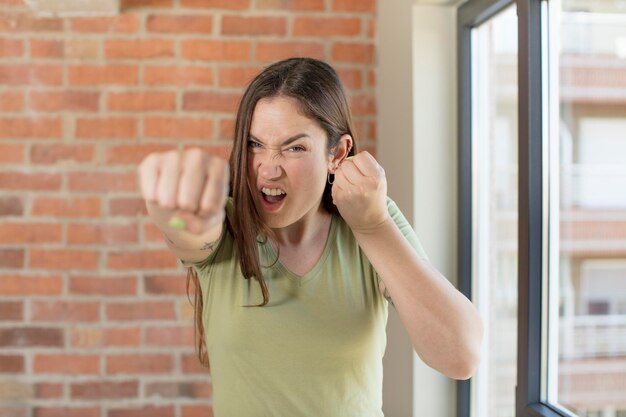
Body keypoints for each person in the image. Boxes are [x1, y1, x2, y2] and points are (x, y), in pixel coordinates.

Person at [138, 57, 483, 417]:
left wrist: (373, 226)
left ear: (337, 153)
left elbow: (460, 356)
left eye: (294, 147)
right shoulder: (225, 227)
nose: (268, 168)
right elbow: (187, 232)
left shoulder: (371, 218)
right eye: (255, 144)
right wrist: (172, 217)